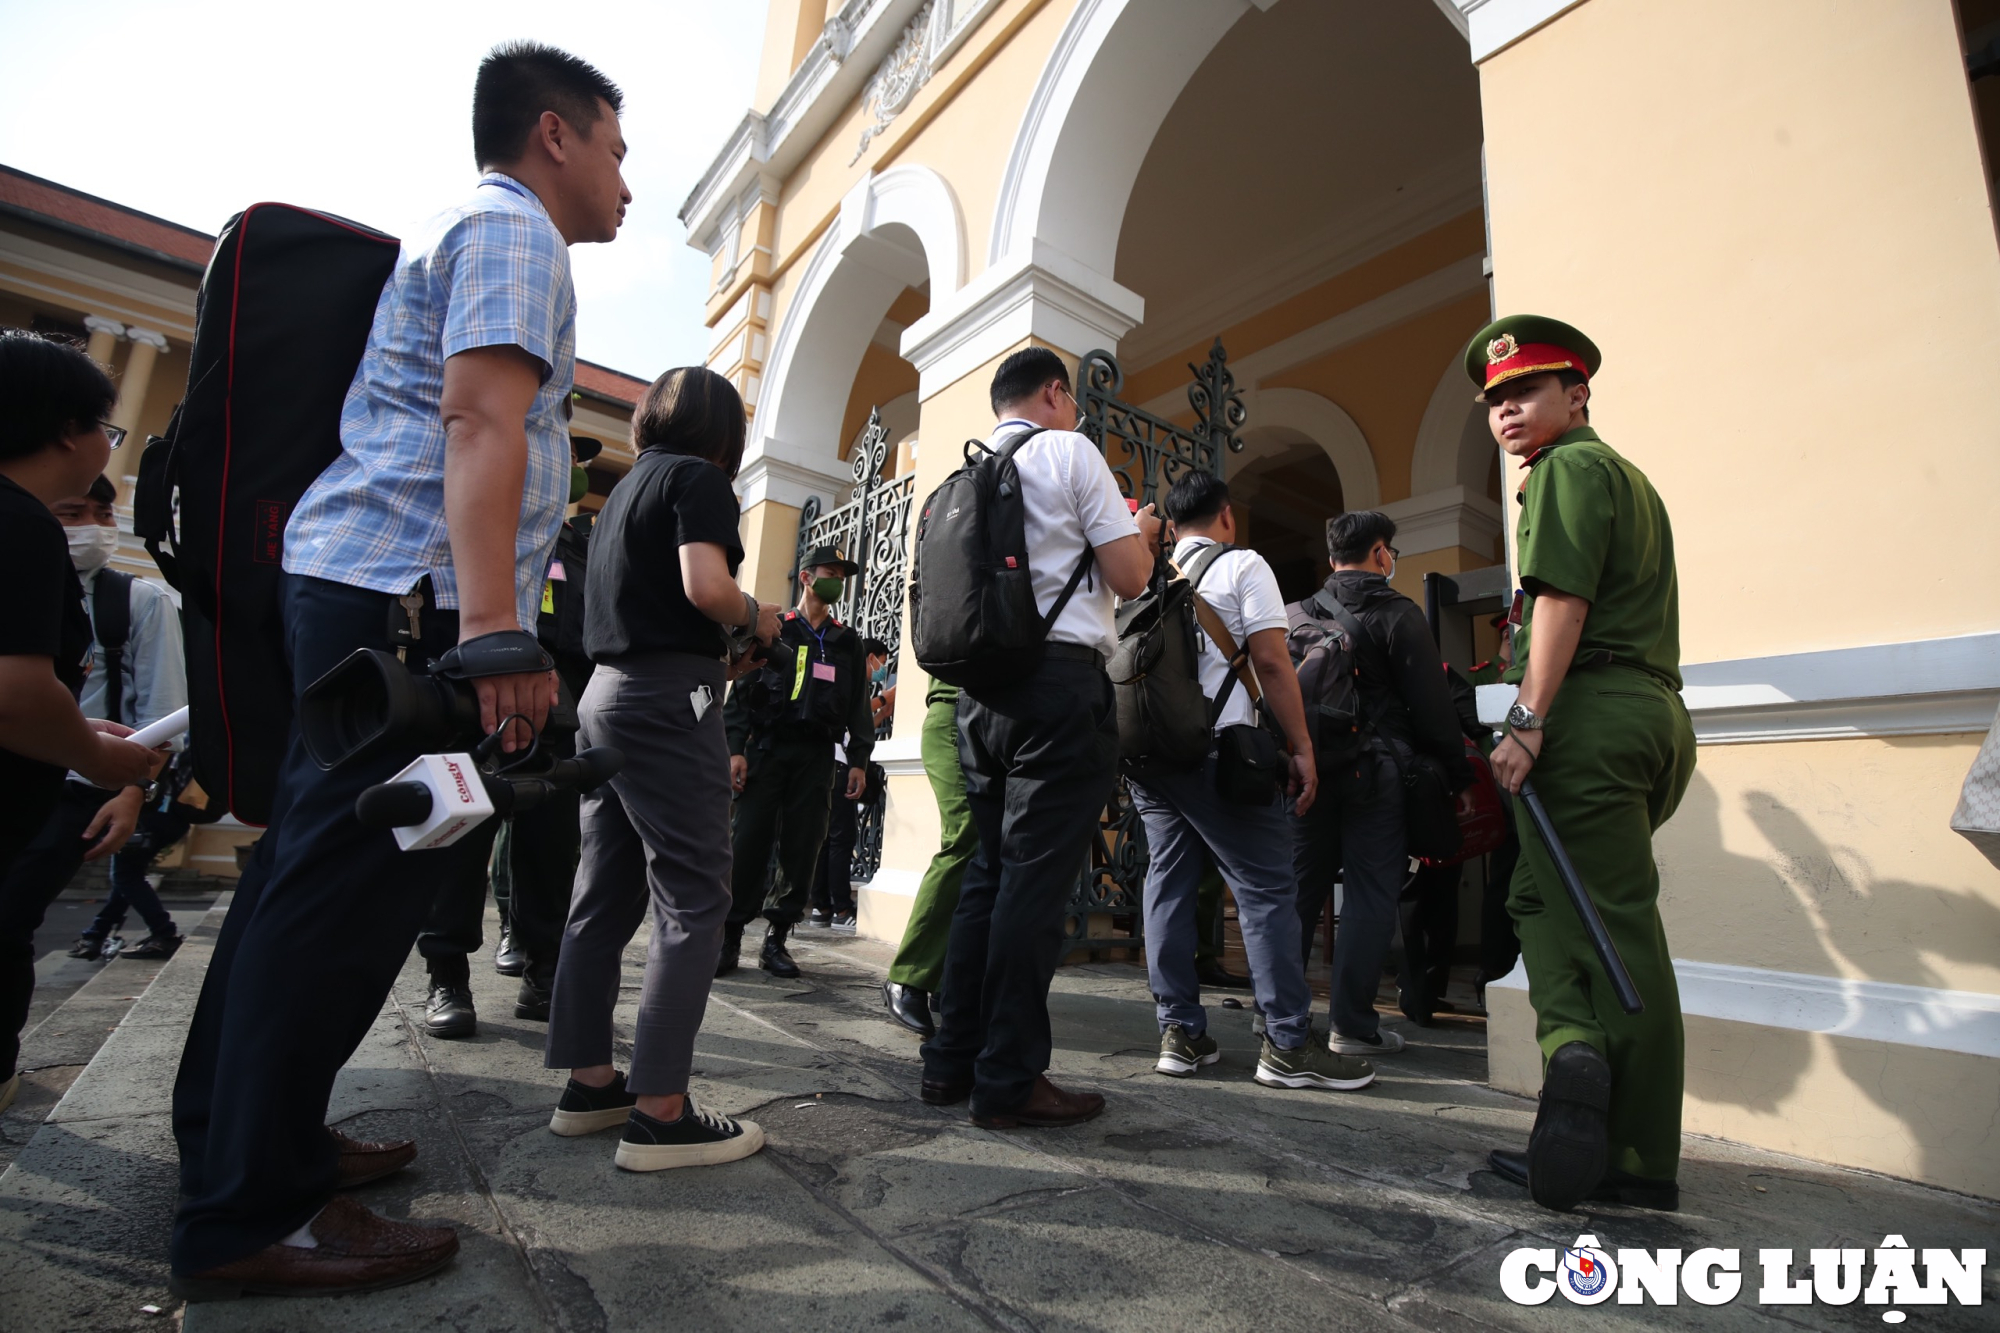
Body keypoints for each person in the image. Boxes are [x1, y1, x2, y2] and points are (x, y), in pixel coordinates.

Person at [168, 43, 632, 1299]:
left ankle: (245, 1143)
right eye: (616, 148)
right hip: (406, 603)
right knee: (334, 904)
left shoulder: (476, 229)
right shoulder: (514, 230)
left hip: (370, 591)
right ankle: (246, 1215)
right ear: (553, 135)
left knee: (297, 885)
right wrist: (495, 633)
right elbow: (480, 417)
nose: (625, 181)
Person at [1469, 315, 1695, 1213]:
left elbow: (1563, 597)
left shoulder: (1567, 470)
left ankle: (1634, 1154)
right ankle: (1576, 1055)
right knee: (1540, 897)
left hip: (1588, 715)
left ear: (1578, 393)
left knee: (1613, 928)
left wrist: (1526, 717)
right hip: (1642, 709)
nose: (1507, 411)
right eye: (1494, 400)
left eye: (1525, 390)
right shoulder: (1628, 480)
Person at [542, 365, 778, 1172]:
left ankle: (590, 1081)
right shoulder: (699, 479)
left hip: (605, 697)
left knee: (601, 894)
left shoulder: (618, 500)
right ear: (725, 434)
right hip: (667, 702)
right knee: (695, 893)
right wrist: (758, 617)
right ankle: (661, 1111)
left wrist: (716, 656)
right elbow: (705, 586)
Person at [919, 347, 1158, 1130]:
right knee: (1034, 884)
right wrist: (1141, 531)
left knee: (987, 876)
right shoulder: (1070, 451)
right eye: (1073, 400)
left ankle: (950, 1060)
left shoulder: (963, 473)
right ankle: (1011, 1077)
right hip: (1056, 686)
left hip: (976, 697)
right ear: (1056, 392)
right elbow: (1129, 577)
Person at [1126, 471, 1375, 1093]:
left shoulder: (1140, 571)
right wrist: (1302, 747)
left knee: (1168, 882)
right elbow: (1270, 660)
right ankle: (1288, 1042)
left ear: (1171, 524)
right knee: (1265, 887)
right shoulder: (1244, 567)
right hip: (1221, 755)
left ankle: (1179, 1032)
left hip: (1149, 756)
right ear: (1227, 516)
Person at [0, 332, 162, 1118]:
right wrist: (96, 756)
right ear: (69, 430)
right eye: (108, 426)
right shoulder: (23, 527)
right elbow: (17, 694)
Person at [422, 421, 602, 1037]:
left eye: (578, 456)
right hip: (478, 694)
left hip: (555, 703)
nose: (572, 465)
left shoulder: (584, 545)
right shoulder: (491, 517)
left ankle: (543, 969)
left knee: (552, 844)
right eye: (565, 450)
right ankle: (446, 972)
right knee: (463, 833)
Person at [1290, 510, 1471, 1058]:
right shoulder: (1399, 614)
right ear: (1379, 554)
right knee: (1370, 898)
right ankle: (1352, 1026)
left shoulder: (1297, 612)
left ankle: (1278, 1016)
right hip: (1377, 773)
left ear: (1331, 559)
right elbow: (1433, 707)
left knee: (1296, 894)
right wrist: (1456, 775)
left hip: (1310, 774)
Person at [0, 473, 188, 966]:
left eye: (103, 515)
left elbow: (164, 709)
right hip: (21, 767)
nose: (95, 527)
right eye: (73, 515)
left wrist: (131, 793)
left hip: (79, 783)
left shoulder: (136, 601)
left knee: (11, 919)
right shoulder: (22, 579)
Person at [718, 546, 873, 978]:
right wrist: (734, 749)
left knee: (803, 846)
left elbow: (859, 705)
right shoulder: (775, 629)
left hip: (817, 755)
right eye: (830, 573)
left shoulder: (847, 641)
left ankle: (777, 939)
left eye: (842, 576)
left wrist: (859, 757)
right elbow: (742, 694)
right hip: (767, 749)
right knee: (747, 840)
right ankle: (729, 936)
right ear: (806, 578)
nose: (837, 582)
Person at [879, 680, 975, 1039]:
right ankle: (908, 977)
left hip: (992, 719)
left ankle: (947, 979)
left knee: (987, 851)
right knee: (966, 838)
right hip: (956, 712)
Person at [808, 636, 890, 931]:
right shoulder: (853, 681)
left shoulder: (835, 676)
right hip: (841, 766)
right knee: (840, 841)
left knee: (825, 840)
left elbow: (859, 726)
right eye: (881, 660)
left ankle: (821, 906)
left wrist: (881, 712)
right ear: (870, 658)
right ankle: (841, 909)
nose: (882, 668)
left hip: (826, 763)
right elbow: (852, 725)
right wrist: (884, 700)